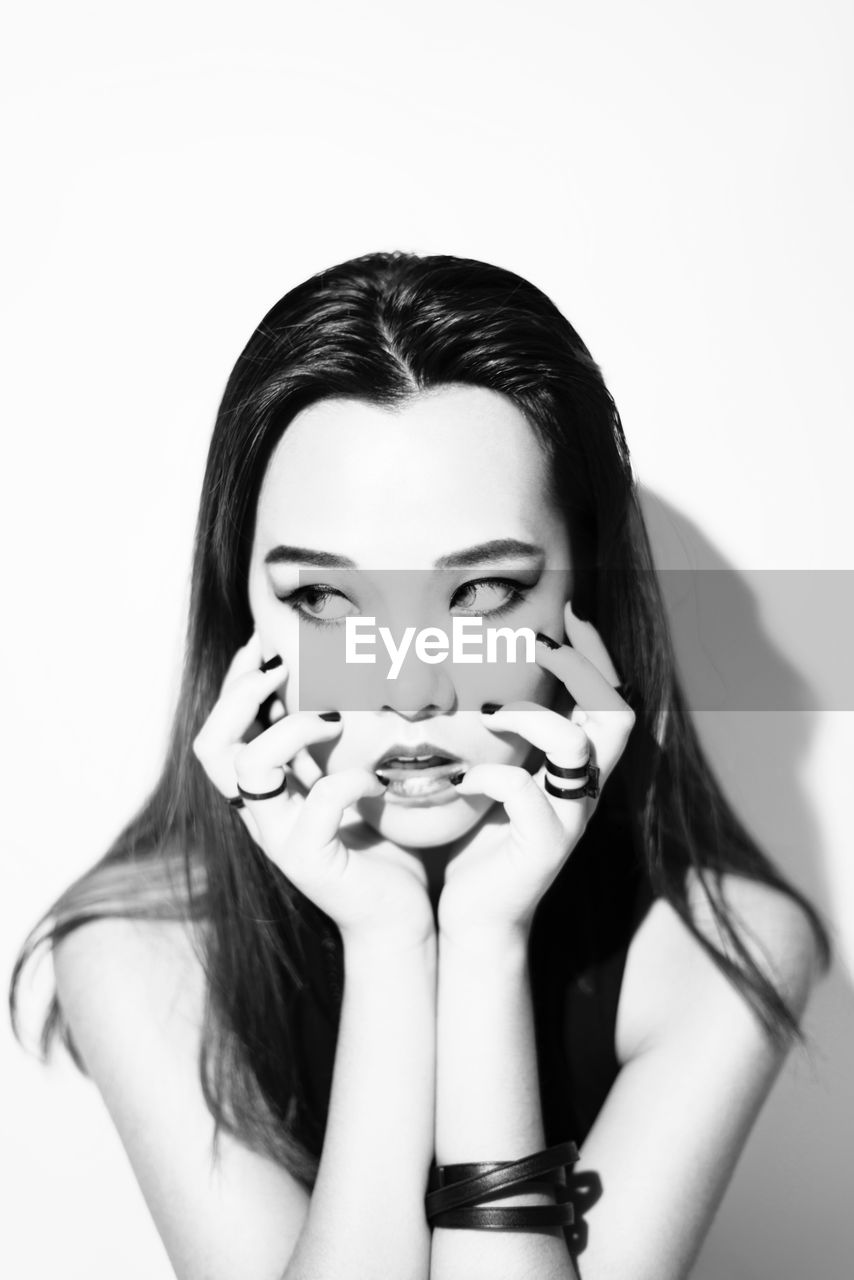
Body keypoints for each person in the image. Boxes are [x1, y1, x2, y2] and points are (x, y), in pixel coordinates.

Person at [9, 250, 830, 1280]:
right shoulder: (140, 948)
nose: (408, 690)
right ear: (243, 618)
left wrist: (484, 939)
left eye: (481, 594)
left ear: (589, 602)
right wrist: (389, 942)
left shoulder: (718, 945)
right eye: (324, 602)